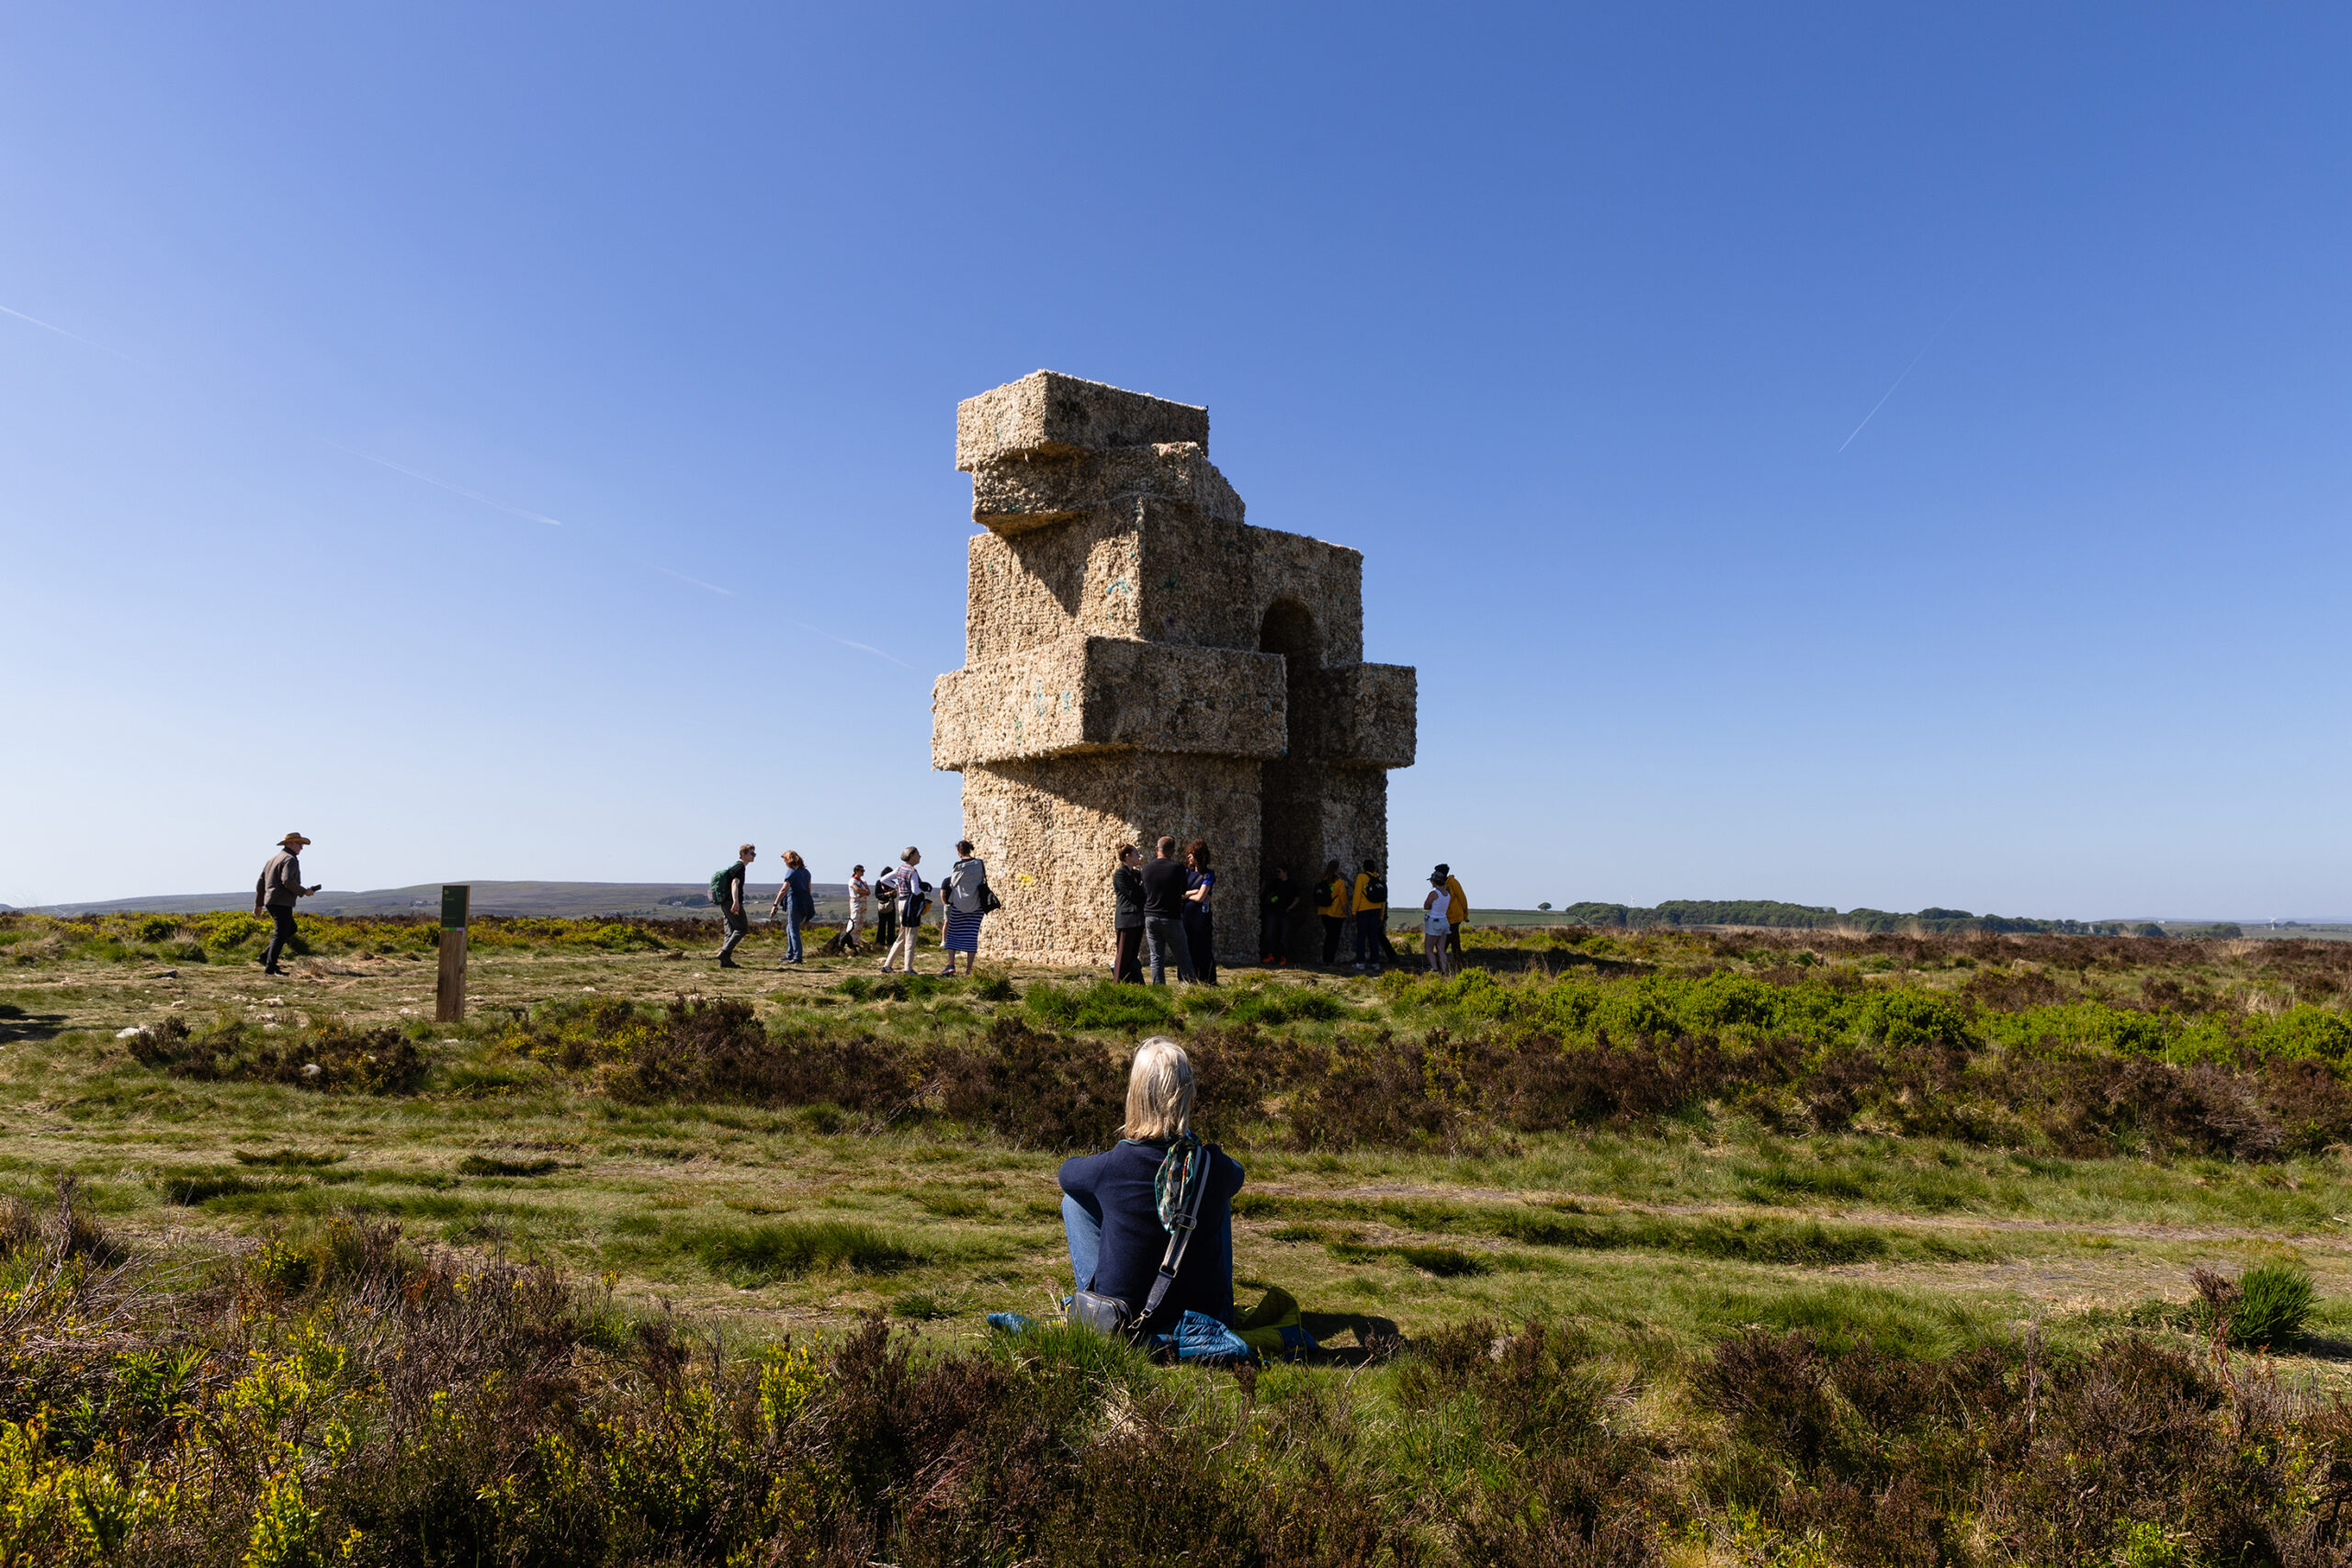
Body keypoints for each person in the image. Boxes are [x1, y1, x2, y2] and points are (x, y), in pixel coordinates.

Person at [1058, 1037, 1247, 1330]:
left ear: (1135, 1095)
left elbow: (1066, 1173)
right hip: (1204, 1318)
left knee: (1073, 1202)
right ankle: (1211, 1308)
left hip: (1122, 1319)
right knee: (1216, 1195)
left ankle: (1095, 1305)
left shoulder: (1113, 1165)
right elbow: (1238, 1173)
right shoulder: (1212, 1165)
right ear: (1189, 1096)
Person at [253, 832, 322, 976]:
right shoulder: (290, 859)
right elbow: (287, 881)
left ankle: (265, 956)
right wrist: (304, 891)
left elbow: (260, 883)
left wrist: (259, 904)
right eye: (300, 845)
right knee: (280, 934)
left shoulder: (272, 860)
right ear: (291, 844)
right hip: (281, 902)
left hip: (271, 901)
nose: (302, 848)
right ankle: (270, 969)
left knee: (290, 929)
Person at [1140, 836, 1195, 985]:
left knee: (1156, 957)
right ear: (1173, 851)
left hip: (1151, 916)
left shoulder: (1146, 869)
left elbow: (1145, 890)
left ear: (1157, 849)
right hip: (1171, 917)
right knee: (1182, 956)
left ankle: (1159, 990)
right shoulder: (1177, 868)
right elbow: (1183, 890)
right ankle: (1190, 989)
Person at [940, 840, 988, 976]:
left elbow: (953, 883)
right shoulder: (980, 863)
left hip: (960, 905)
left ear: (959, 851)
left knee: (953, 934)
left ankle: (951, 965)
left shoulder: (958, 866)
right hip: (977, 904)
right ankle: (969, 968)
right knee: (971, 935)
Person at [878, 847, 926, 973]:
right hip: (911, 904)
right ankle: (908, 969)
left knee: (902, 936)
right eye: (918, 854)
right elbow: (915, 891)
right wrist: (924, 889)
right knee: (911, 936)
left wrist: (896, 886)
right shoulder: (912, 871)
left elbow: (883, 879)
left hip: (901, 902)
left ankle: (887, 965)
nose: (920, 856)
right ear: (911, 856)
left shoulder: (900, 869)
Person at [1182, 840, 1218, 986]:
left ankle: (1207, 980)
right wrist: (1193, 892)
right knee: (1186, 948)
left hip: (1201, 918)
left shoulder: (1208, 874)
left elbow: (1201, 897)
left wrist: (1187, 895)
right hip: (1186, 916)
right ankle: (1188, 980)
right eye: (1189, 855)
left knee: (1203, 948)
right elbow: (1180, 894)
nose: (1189, 857)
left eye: (1193, 855)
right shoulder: (1185, 872)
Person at [712, 844, 755, 968]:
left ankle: (725, 962)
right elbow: (734, 884)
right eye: (751, 854)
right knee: (742, 929)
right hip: (731, 902)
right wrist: (736, 902)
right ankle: (724, 954)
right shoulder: (740, 867)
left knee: (729, 932)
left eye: (754, 854)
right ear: (743, 854)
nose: (753, 856)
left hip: (725, 902)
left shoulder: (734, 867)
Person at [768, 851, 815, 965]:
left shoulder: (791, 872)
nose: (784, 863)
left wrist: (775, 904)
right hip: (805, 902)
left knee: (794, 930)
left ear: (789, 860)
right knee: (790, 928)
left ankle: (797, 957)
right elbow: (809, 889)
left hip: (794, 901)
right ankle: (790, 954)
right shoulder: (806, 872)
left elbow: (784, 889)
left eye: (785, 860)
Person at [1112, 845, 1146, 984]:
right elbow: (1133, 894)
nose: (1139, 856)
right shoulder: (1120, 874)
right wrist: (1143, 888)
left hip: (1137, 919)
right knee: (1123, 955)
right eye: (1136, 853)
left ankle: (1134, 983)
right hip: (1126, 920)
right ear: (1128, 856)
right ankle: (1118, 985)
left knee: (1132, 955)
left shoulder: (1136, 874)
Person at [1351, 858, 1388, 973]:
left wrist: (1354, 911)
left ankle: (1360, 963)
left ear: (1364, 867)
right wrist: (1381, 915)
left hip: (1363, 910)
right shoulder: (1379, 878)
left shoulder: (1361, 877)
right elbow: (1383, 899)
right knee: (1374, 937)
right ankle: (1375, 963)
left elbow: (1357, 895)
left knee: (1361, 937)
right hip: (1376, 910)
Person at [1261, 863, 1299, 965]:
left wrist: (1290, 908)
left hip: (1285, 913)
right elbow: (1270, 896)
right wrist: (1272, 900)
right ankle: (1270, 955)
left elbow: (1297, 898)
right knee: (1269, 934)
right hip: (1273, 912)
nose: (1277, 874)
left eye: (1279, 871)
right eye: (1276, 872)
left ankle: (1283, 957)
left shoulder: (1292, 884)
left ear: (1285, 872)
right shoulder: (1275, 883)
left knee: (1284, 936)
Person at [1317, 858, 1351, 965]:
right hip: (1336, 913)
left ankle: (1325, 959)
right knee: (1334, 937)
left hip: (1323, 911)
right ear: (1337, 869)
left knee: (1328, 936)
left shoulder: (1323, 880)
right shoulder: (1339, 882)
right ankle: (1330, 960)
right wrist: (1346, 913)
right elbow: (1343, 899)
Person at [1437, 863, 1468, 973]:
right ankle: (1460, 966)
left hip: (1454, 918)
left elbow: (1462, 898)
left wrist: (1465, 914)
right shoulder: (1441, 885)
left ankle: (1439, 966)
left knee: (1443, 944)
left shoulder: (1453, 883)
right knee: (1455, 944)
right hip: (1447, 918)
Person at [1421, 872, 1453, 975]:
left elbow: (1426, 906)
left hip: (1434, 922)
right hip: (1444, 921)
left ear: (1434, 882)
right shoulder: (1447, 894)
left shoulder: (1434, 893)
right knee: (1441, 949)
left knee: (1428, 948)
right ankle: (1444, 971)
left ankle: (1435, 969)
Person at [872, 862, 899, 960]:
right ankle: (880, 942)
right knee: (882, 925)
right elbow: (877, 894)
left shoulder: (892, 883)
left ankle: (890, 942)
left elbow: (895, 895)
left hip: (891, 905)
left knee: (891, 925)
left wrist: (893, 894)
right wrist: (887, 894)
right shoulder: (879, 883)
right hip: (883, 905)